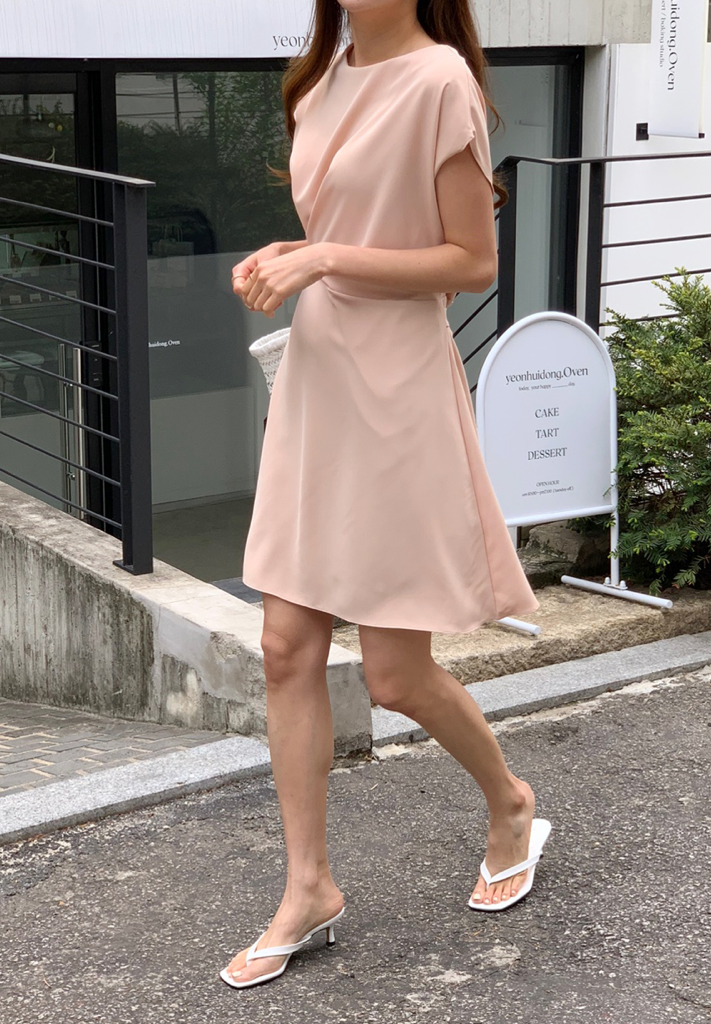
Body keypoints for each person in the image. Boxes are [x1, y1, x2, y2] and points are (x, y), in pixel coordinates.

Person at [220, 0, 551, 989]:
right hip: (322, 376)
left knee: (396, 675)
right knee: (286, 647)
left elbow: (471, 261)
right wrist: (291, 255)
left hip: (398, 386)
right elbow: (346, 227)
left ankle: (512, 802)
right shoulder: (321, 77)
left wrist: (322, 255)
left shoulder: (441, 81)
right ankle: (309, 886)